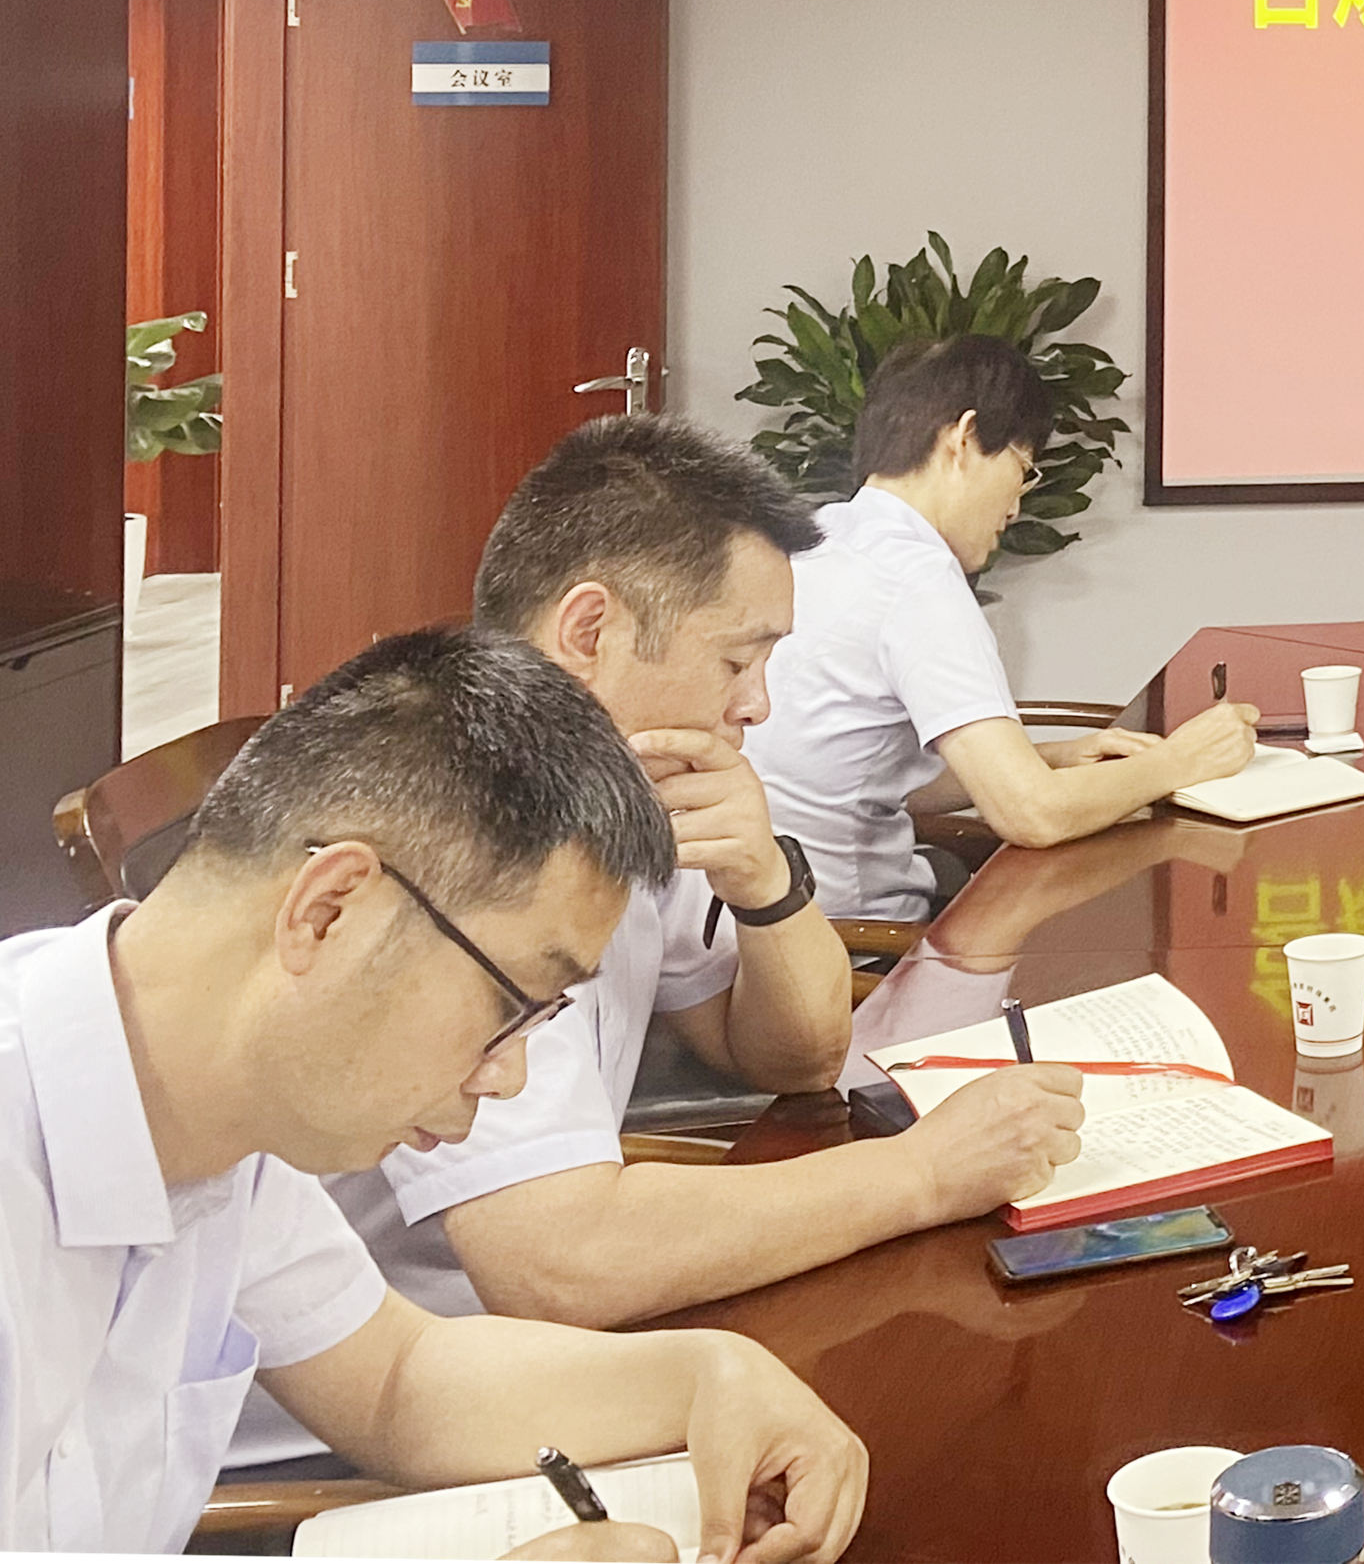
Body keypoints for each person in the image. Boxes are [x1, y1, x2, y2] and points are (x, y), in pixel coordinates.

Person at [230, 421, 1083, 1443]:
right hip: (428, 1407)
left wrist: (765, 879)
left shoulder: (629, 791)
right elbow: (559, 1263)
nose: (758, 705)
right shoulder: (472, 825)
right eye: (737, 660)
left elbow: (795, 1056)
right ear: (589, 631)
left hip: (514, 1368)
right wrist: (926, 1174)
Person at [0, 627, 867, 1561]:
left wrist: (708, 1375)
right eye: (511, 1005)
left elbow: (395, 1377)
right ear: (329, 909)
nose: (510, 1075)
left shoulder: (219, 1108)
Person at [748, 336, 1258, 921]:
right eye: (1022, 469)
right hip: (849, 939)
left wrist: (1052, 757)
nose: (1015, 507)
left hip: (762, 918)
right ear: (965, 438)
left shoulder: (819, 538)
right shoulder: (916, 577)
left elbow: (862, 779)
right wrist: (1183, 761)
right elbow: (1032, 815)